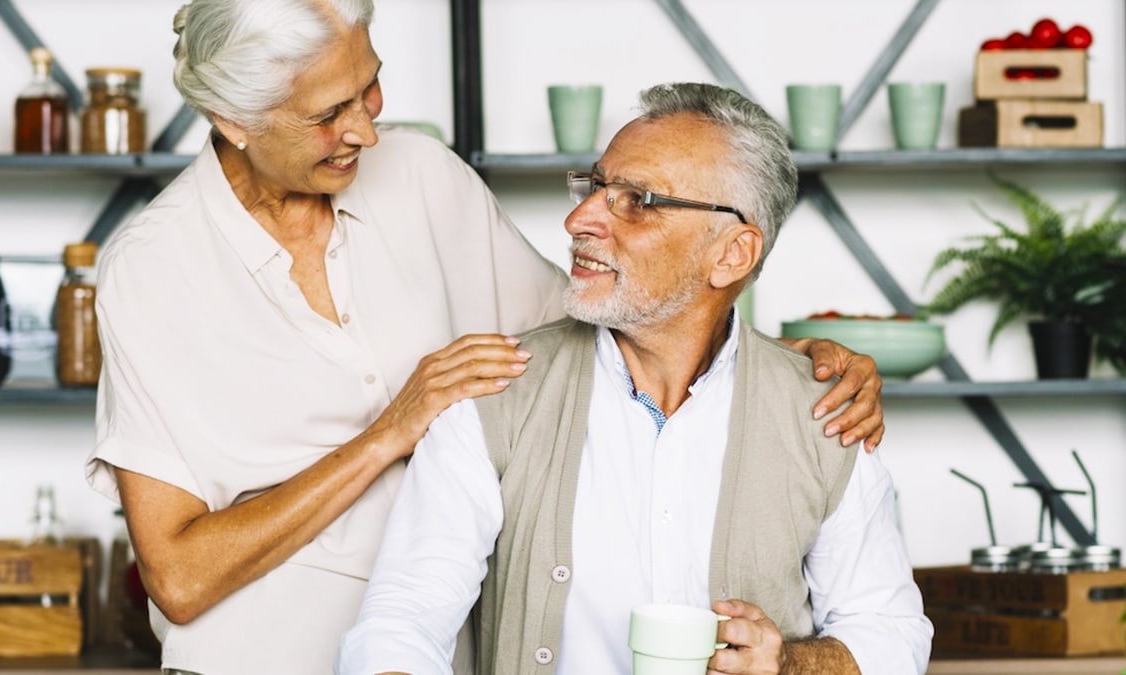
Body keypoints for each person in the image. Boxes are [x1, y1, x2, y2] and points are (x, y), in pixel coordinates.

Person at [83, 0, 887, 672]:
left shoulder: (422, 178)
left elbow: (625, 312)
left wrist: (790, 365)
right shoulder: (151, 271)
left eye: (371, 87)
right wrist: (388, 433)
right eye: (330, 113)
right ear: (235, 119)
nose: (365, 129)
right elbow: (179, 577)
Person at [336, 82, 932, 675]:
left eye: (637, 199)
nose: (578, 219)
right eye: (596, 187)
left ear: (731, 254)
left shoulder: (825, 413)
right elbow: (404, 620)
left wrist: (788, 666)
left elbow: (889, 634)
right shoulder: (495, 395)